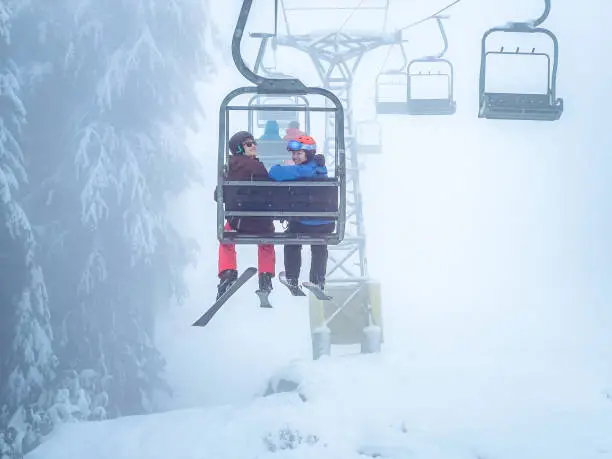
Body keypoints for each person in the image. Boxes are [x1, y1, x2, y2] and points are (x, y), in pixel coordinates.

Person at [268, 135, 334, 292]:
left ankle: (291, 277)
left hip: (303, 222)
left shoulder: (302, 170)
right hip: (325, 222)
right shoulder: (320, 170)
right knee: (319, 245)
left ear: (309, 154)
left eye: (298, 153)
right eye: (293, 153)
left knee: (291, 240)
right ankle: (318, 281)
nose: (294, 157)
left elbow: (275, 172)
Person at [216, 131, 275, 299]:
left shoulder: (228, 170)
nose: (254, 145)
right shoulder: (256, 166)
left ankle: (227, 273)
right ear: (239, 149)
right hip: (260, 224)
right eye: (249, 144)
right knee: (267, 240)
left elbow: (217, 195)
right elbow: (269, 191)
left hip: (238, 223)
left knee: (225, 238)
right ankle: (265, 278)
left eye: (254, 142)